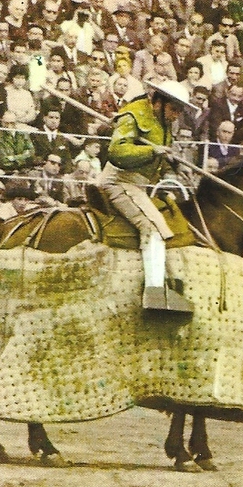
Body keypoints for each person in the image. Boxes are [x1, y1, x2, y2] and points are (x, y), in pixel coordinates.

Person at [98, 80, 198, 313]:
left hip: (139, 185)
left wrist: (173, 165)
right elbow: (116, 152)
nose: (176, 116)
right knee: (153, 226)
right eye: (174, 109)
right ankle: (154, 294)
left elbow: (158, 161)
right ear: (158, 102)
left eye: (179, 111)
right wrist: (152, 150)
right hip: (119, 181)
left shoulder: (164, 124)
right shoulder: (132, 115)